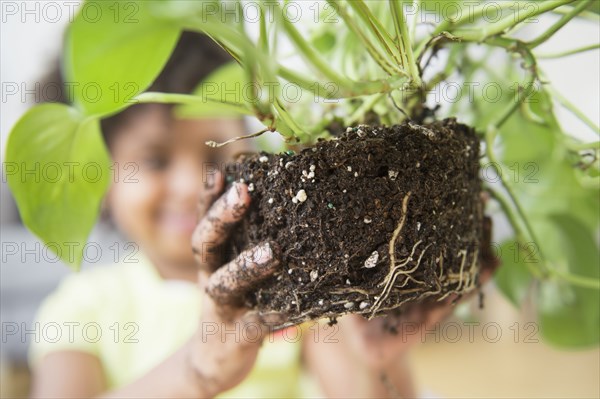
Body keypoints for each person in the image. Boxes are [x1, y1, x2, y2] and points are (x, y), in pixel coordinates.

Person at [28, 31, 497, 398]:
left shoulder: (287, 289)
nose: (192, 184)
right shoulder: (85, 306)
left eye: (217, 157)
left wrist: (377, 359)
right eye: (155, 161)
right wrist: (197, 374)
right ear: (101, 178)